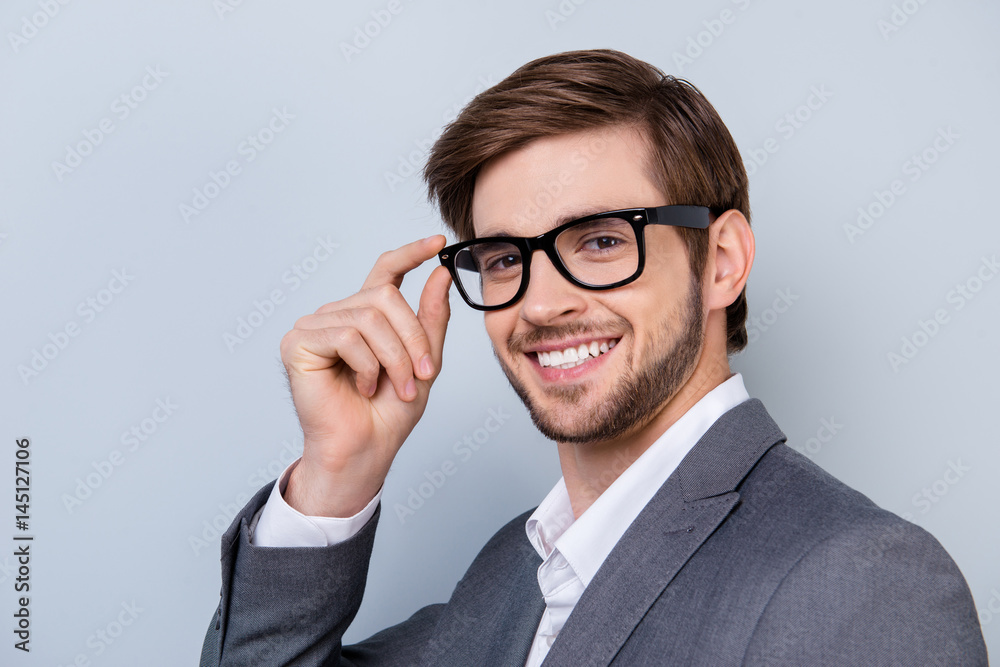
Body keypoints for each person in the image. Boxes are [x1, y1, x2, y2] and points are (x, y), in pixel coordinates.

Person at [200, 49, 987, 666]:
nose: (541, 304)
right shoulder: (512, 570)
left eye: (603, 240)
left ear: (721, 261)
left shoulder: (862, 581)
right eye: (506, 258)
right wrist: (337, 473)